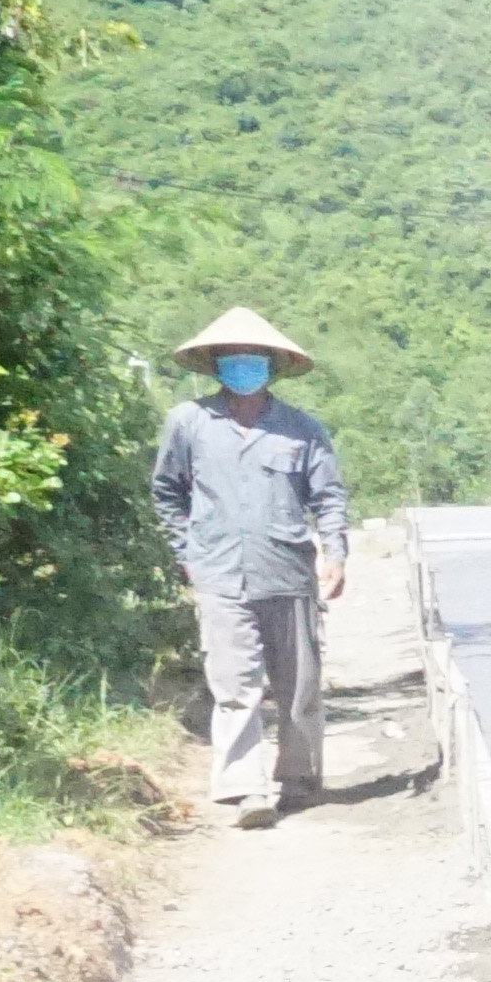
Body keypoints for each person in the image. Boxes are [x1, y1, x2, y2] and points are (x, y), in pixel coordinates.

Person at [150, 308, 350, 829]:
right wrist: (187, 553)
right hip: (219, 573)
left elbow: (328, 498)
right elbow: (167, 492)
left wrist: (335, 554)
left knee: (299, 684)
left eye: (254, 359)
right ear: (216, 365)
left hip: (287, 571)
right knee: (235, 685)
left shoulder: (302, 430)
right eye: (233, 359)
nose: (243, 368)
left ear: (272, 366)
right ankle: (246, 789)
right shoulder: (188, 422)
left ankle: (300, 776)